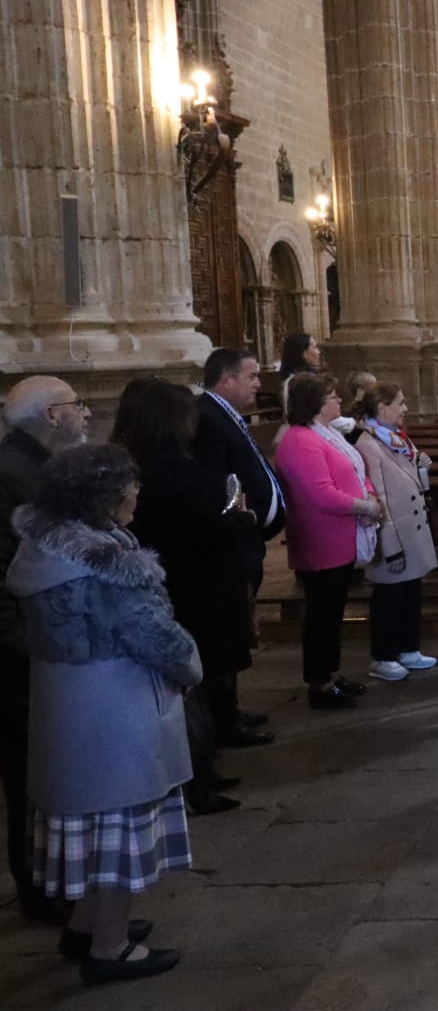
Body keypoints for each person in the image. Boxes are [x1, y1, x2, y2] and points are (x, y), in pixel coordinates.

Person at [7, 444, 197, 985]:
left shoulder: (44, 551)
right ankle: (110, 949)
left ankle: (84, 926)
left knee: (90, 825)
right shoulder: (108, 567)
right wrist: (191, 665)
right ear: (103, 497)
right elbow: (155, 636)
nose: (136, 492)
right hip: (115, 709)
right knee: (119, 827)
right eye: (128, 485)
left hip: (67, 705)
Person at [119, 381, 261, 815]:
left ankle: (201, 770)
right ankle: (197, 781)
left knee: (191, 687)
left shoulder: (145, 460)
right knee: (191, 687)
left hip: (180, 581)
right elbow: (202, 525)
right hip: (194, 586)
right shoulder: (173, 468)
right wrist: (243, 521)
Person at [0, 376, 91, 924]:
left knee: (50, 772)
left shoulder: (33, 468)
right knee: (30, 776)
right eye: (77, 405)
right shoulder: (11, 474)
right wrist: (27, 647)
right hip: (24, 654)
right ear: (52, 417)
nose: (85, 413)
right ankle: (42, 890)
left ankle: (62, 886)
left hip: (45, 645)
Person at [275, 374, 382, 710]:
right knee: (321, 615)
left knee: (333, 612)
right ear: (315, 404)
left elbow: (355, 470)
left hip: (341, 535)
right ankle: (319, 683)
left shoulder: (326, 434)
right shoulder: (299, 441)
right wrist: (365, 506)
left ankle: (331, 673)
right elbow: (320, 494)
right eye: (332, 397)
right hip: (321, 538)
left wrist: (371, 496)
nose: (339, 402)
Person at [193, 349, 285, 738]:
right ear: (226, 379)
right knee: (225, 630)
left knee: (235, 627)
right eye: (251, 376)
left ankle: (230, 709)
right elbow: (218, 483)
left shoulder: (221, 414)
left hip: (244, 540)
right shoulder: (209, 418)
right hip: (230, 544)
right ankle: (223, 719)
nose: (258, 383)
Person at [354, 384, 438, 682]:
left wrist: (420, 463)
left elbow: (406, 474)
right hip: (396, 531)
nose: (405, 408)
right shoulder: (369, 444)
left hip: (411, 529)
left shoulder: (396, 438)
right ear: (382, 408)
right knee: (389, 599)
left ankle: (408, 648)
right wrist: (390, 545)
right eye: (400, 403)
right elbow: (380, 496)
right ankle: (383, 656)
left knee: (410, 593)